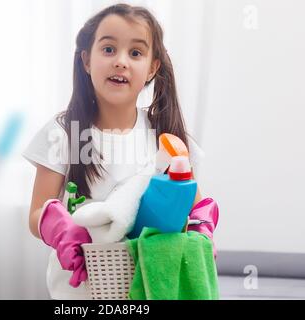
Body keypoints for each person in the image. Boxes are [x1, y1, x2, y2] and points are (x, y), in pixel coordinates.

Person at [23, 3, 205, 299]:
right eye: (108, 49)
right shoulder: (62, 133)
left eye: (135, 53)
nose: (121, 62)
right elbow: (36, 213)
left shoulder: (166, 138)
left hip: (146, 291)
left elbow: (192, 207)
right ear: (86, 60)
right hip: (77, 294)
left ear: (152, 68)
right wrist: (59, 228)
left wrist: (202, 227)